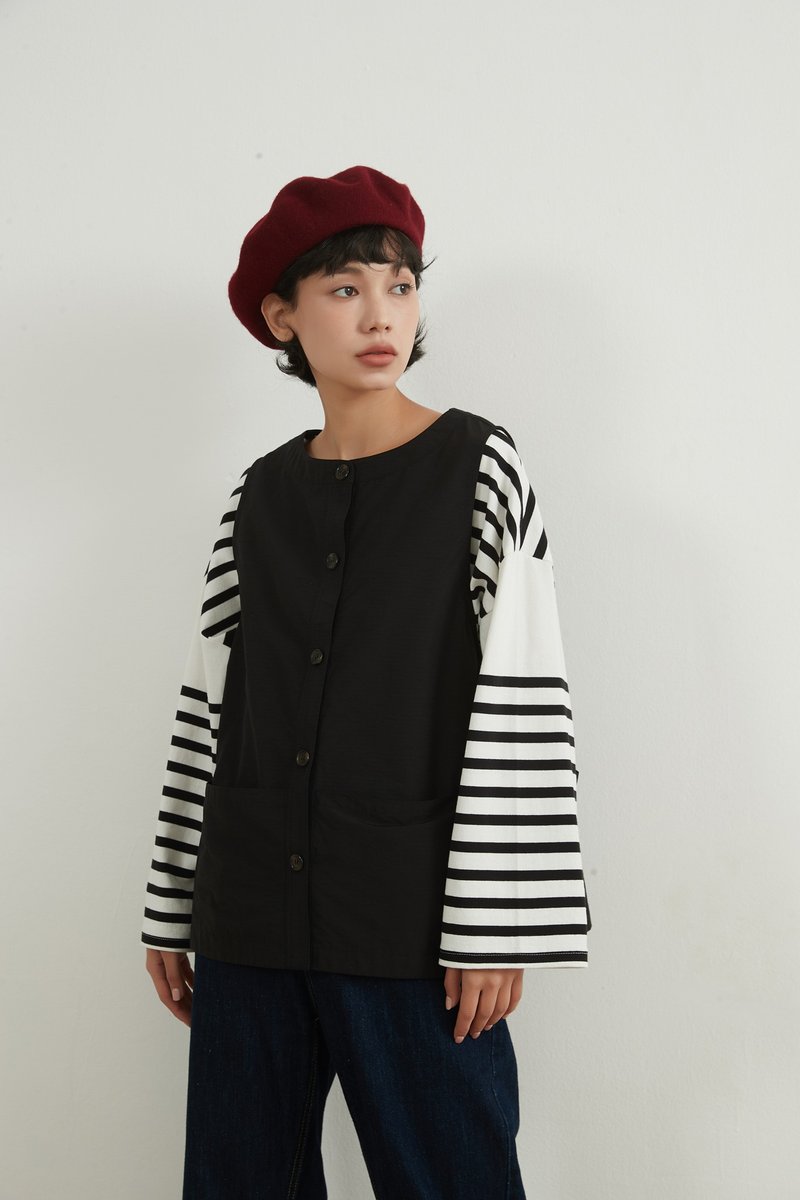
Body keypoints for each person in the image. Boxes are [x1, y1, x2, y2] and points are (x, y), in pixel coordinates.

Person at [141, 164, 591, 1199]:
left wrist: (495, 925)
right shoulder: (257, 496)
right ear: (282, 317)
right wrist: (172, 903)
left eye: (400, 285)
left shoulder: (481, 468)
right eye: (344, 288)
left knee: (453, 1179)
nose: (380, 314)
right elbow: (209, 704)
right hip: (250, 917)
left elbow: (524, 695)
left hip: (413, 921)